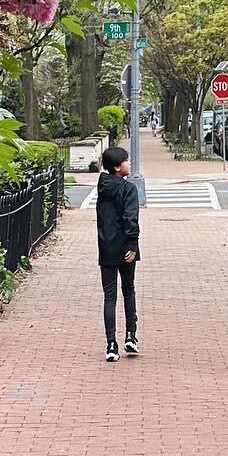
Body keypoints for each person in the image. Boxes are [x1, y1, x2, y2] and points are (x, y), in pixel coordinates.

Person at [95, 144, 140, 362]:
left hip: (106, 247)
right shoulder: (128, 189)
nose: (129, 163)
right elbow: (130, 218)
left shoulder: (102, 187)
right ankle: (131, 335)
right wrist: (132, 243)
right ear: (116, 166)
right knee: (128, 289)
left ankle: (110, 344)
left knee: (109, 296)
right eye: (126, 160)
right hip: (125, 248)